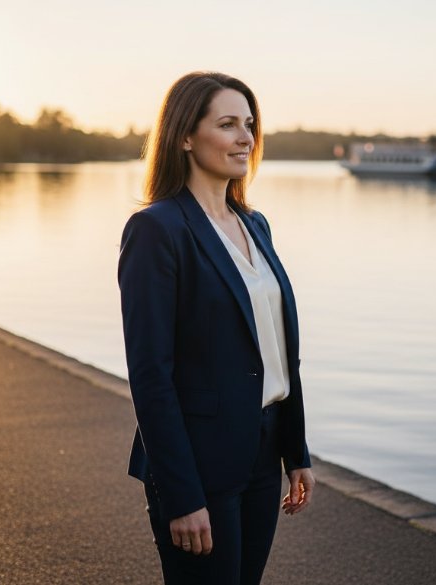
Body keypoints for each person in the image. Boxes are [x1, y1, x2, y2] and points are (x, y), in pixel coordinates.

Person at [117, 71, 315, 585]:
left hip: (263, 452)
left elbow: (278, 350)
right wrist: (182, 495)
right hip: (197, 462)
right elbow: (150, 376)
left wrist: (296, 451)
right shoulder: (156, 230)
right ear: (185, 135)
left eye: (249, 124)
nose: (245, 137)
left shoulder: (255, 224)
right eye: (227, 124)